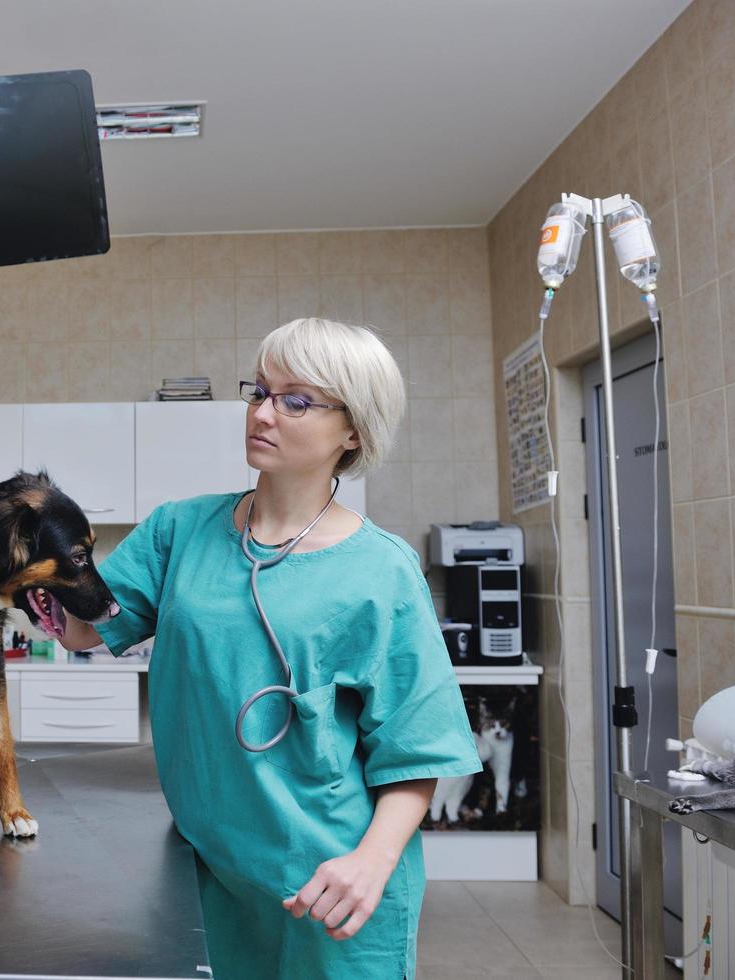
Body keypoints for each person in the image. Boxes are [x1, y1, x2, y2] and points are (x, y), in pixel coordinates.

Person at [57, 318, 482, 978]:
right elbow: (83, 627)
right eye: (259, 390)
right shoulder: (179, 530)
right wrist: (5, 553)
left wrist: (369, 865)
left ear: (353, 431)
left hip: (330, 879)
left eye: (296, 400)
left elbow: (416, 748)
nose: (262, 412)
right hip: (212, 868)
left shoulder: (382, 570)